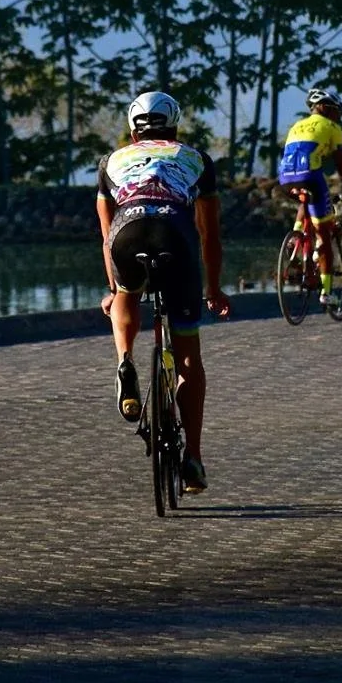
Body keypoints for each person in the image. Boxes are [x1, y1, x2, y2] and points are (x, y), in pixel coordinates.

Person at [97, 90, 231, 494]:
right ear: (174, 125)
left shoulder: (111, 161)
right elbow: (209, 235)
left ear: (133, 129)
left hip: (127, 232)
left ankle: (124, 361)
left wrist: (112, 289)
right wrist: (214, 287)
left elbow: (106, 237)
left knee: (126, 292)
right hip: (176, 236)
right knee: (189, 358)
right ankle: (193, 458)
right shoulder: (196, 159)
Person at [276, 86, 342, 310]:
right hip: (310, 176)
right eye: (337, 110)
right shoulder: (332, 127)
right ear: (324, 108)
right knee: (324, 235)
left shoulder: (296, 125)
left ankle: (297, 240)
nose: (339, 115)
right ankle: (326, 292)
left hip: (285, 178)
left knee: (305, 200)